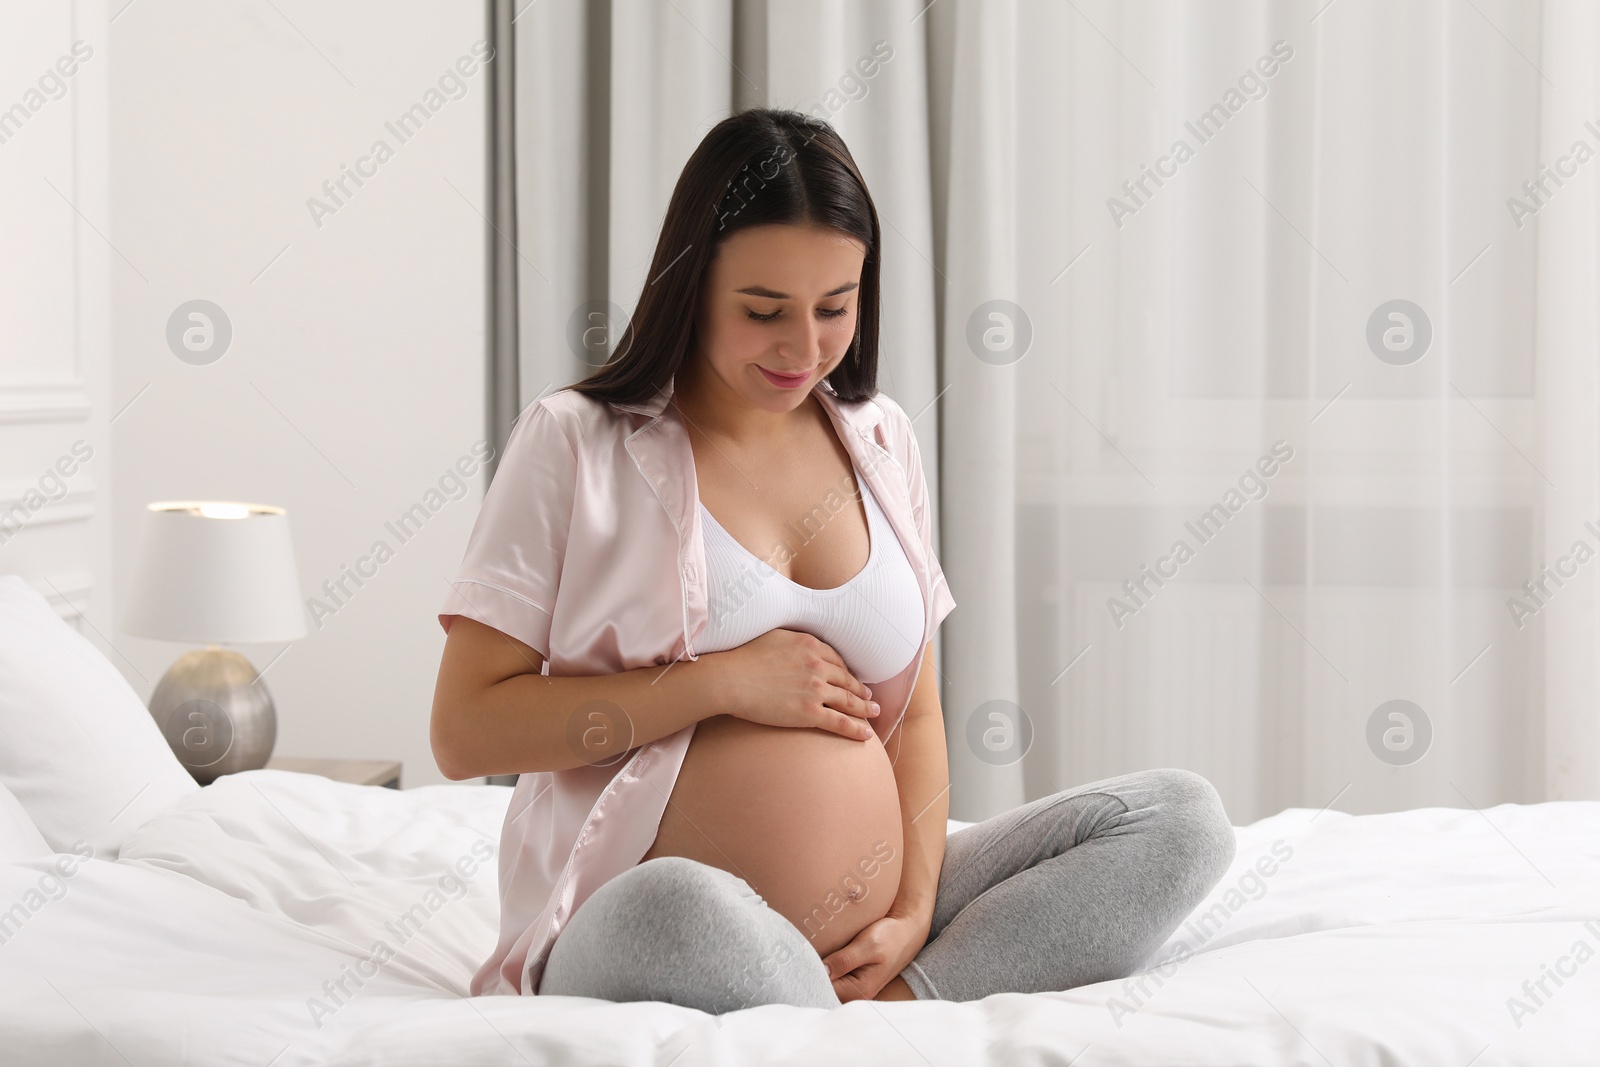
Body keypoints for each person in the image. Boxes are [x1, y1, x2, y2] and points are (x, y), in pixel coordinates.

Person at [430, 107, 1236, 1011]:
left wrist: (916, 907)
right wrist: (721, 682)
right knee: (683, 906)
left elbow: (920, 719)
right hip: (644, 912)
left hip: (877, 926)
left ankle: (888, 1002)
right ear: (691, 285)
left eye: (835, 308)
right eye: (764, 311)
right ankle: (834, 1018)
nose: (803, 348)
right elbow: (465, 731)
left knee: (1178, 820)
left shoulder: (881, 437)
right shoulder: (577, 441)